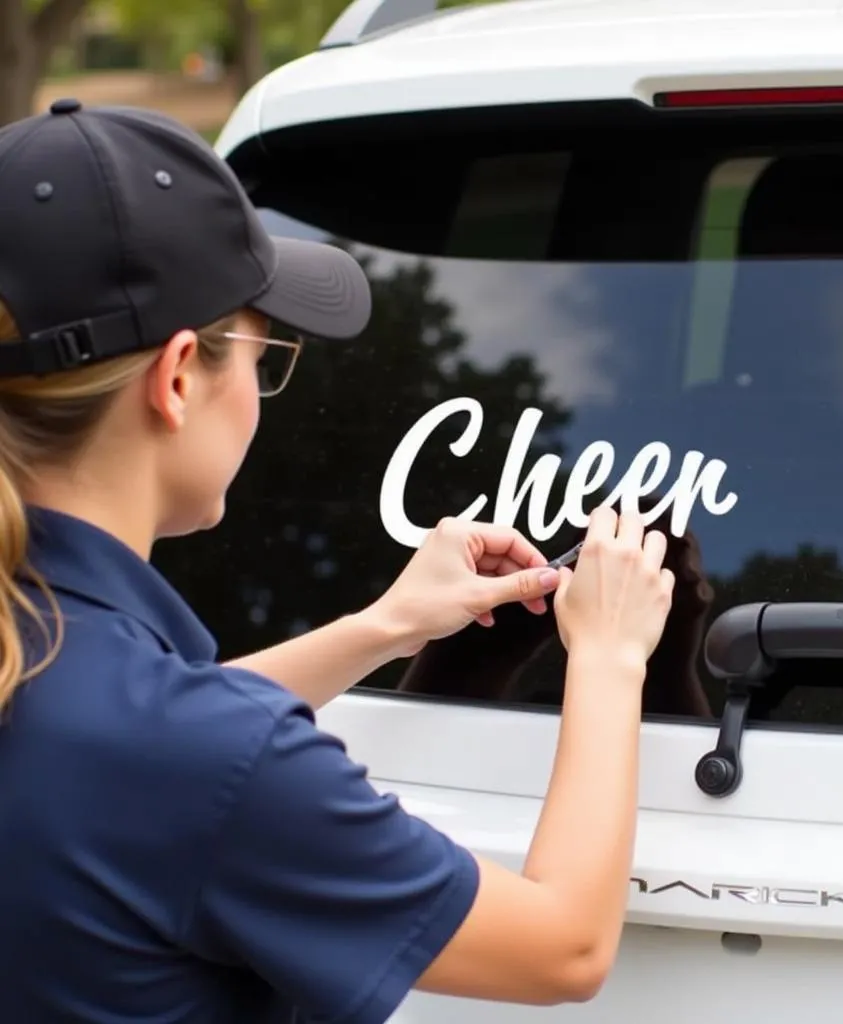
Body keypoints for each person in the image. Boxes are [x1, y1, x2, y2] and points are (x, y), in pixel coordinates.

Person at [0, 100, 675, 1023]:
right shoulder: (204, 759)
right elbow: (566, 946)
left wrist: (383, 628)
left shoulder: (66, 673)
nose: (262, 394)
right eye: (264, 357)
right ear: (177, 377)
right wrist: (608, 657)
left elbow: (125, 744)